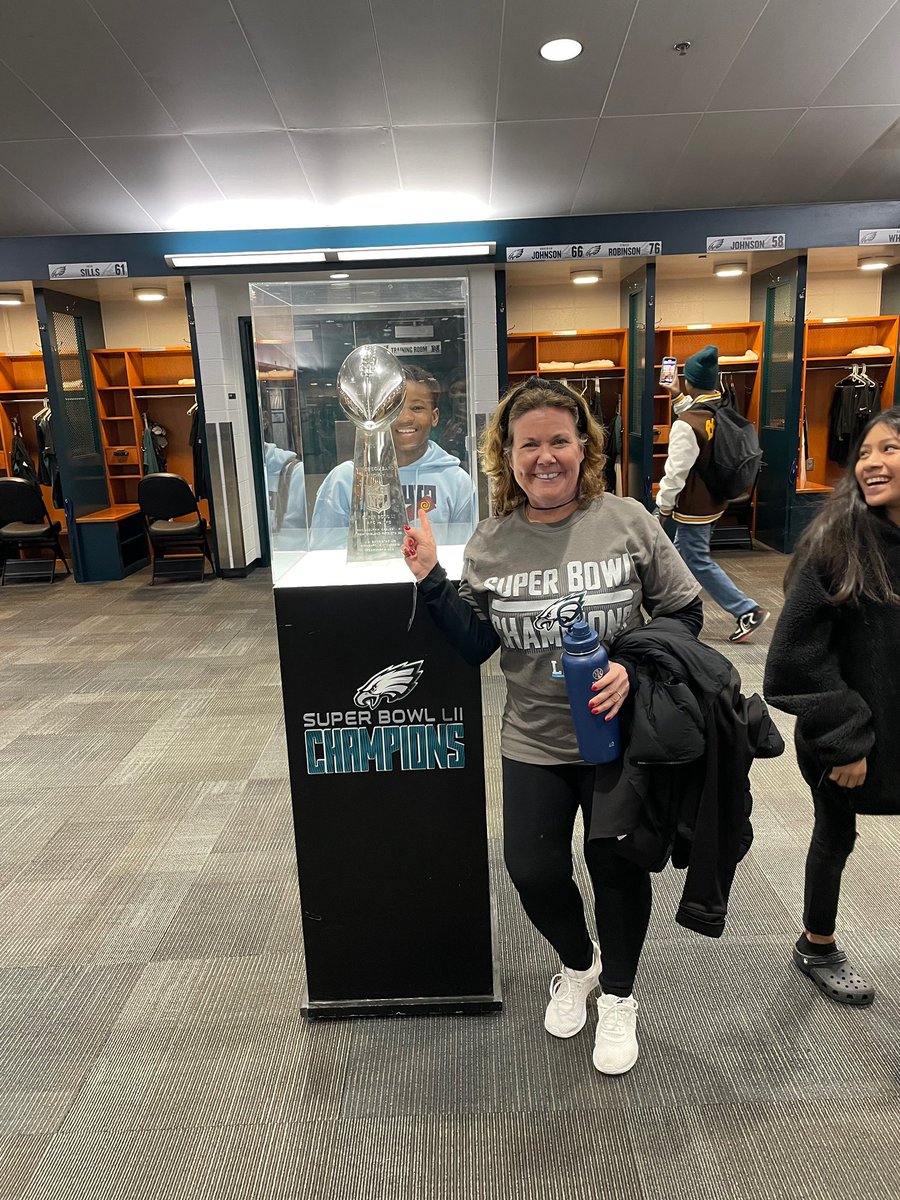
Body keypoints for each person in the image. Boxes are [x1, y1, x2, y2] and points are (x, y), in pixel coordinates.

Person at [401, 376, 703, 1075]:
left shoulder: (627, 520)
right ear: (506, 456)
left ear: (583, 447)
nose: (545, 456)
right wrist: (431, 578)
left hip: (620, 736)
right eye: (528, 444)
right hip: (534, 739)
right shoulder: (491, 541)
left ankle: (620, 995)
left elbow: (684, 613)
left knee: (616, 868)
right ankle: (579, 964)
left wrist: (634, 666)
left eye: (559, 441)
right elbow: (476, 645)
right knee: (532, 871)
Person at [764, 407, 900, 1008]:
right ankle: (816, 944)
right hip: (848, 736)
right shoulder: (836, 545)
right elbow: (794, 660)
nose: (872, 461)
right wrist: (845, 738)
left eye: (889, 449)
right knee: (835, 835)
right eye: (865, 451)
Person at [655, 345, 769, 644]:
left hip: (694, 505)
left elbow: (675, 473)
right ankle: (675, 610)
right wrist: (677, 395)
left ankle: (747, 610)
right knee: (682, 555)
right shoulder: (721, 407)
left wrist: (662, 507)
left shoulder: (685, 425)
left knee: (696, 558)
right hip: (716, 499)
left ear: (689, 382)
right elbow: (697, 419)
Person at [310, 365, 475, 549]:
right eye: (394, 408)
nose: (405, 418)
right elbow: (324, 553)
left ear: (434, 416)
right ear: (377, 416)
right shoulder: (345, 479)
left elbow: (462, 554)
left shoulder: (457, 482)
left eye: (417, 408)